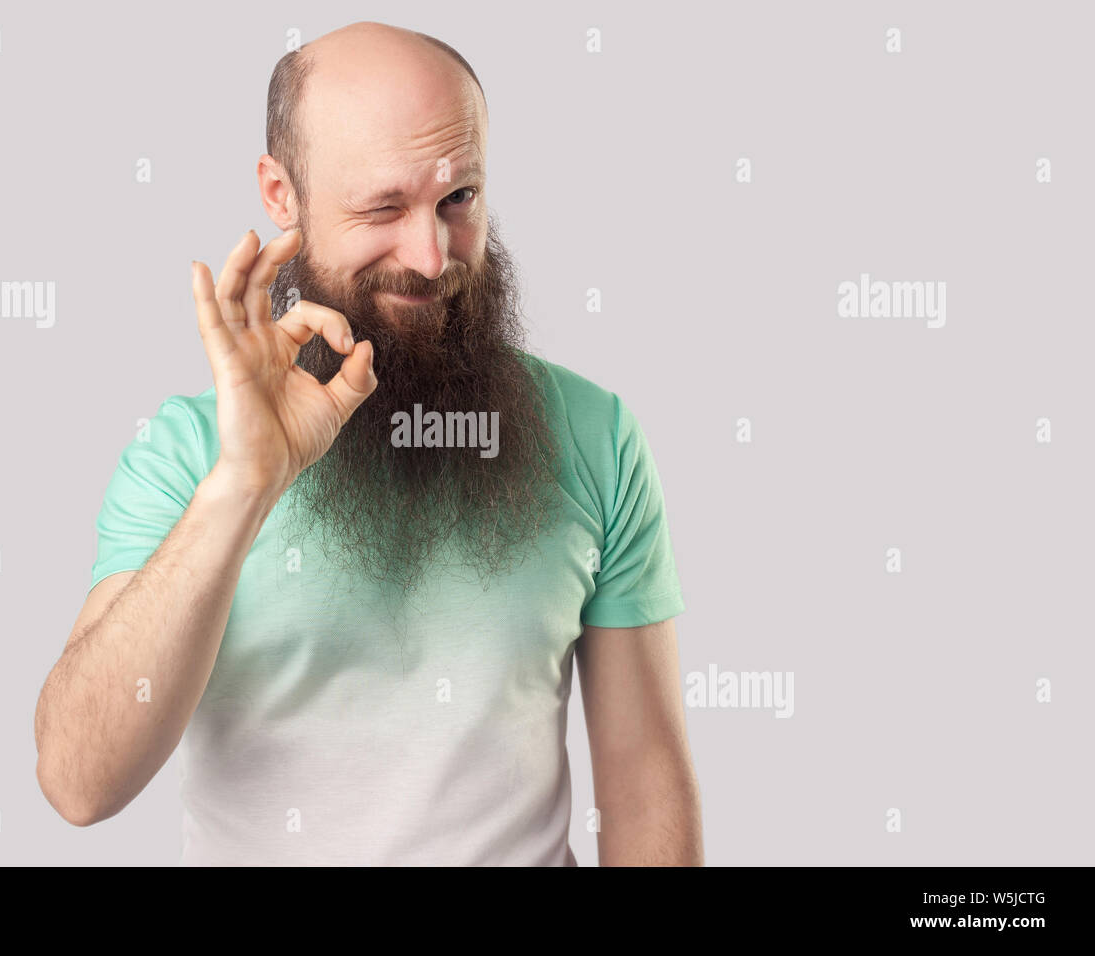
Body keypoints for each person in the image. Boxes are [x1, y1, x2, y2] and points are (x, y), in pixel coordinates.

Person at [34, 20, 702, 866]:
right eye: (383, 207)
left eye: (458, 200)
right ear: (282, 196)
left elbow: (643, 782)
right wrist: (245, 481)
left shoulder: (594, 434)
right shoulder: (187, 456)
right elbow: (77, 783)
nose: (430, 256)